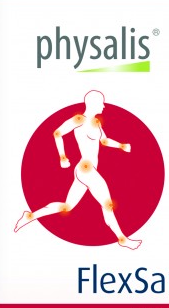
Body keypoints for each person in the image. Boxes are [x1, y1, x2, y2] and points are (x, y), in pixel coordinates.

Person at [15, 90, 141, 249]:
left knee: (67, 206)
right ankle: (122, 239)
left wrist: (121, 146)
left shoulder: (97, 122)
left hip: (86, 170)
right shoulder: (79, 120)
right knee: (107, 204)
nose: (103, 106)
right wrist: (62, 157)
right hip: (86, 170)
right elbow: (57, 133)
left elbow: (104, 141)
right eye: (101, 103)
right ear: (93, 103)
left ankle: (30, 216)